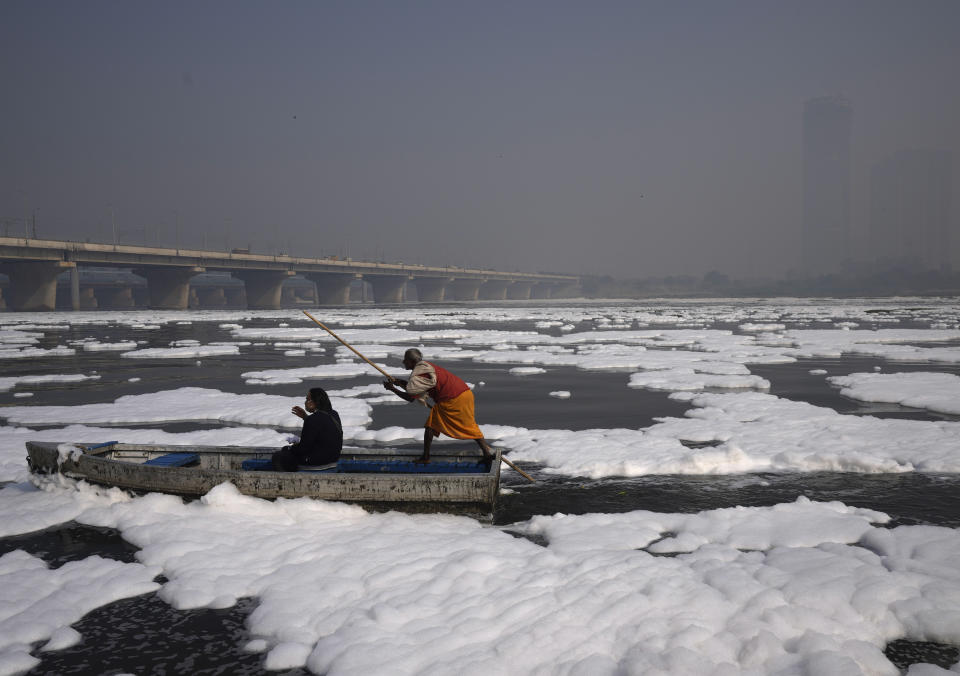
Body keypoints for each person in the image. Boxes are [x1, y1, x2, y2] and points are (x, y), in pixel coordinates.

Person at [383, 348, 495, 464]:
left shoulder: (419, 374)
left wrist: (393, 389)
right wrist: (400, 382)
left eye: (405, 360)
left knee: (433, 426)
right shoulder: (425, 367)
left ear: (411, 361)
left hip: (453, 398)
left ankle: (426, 458)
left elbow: (410, 397)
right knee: (465, 424)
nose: (403, 362)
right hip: (464, 393)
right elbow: (415, 388)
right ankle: (487, 453)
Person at [271, 387, 343, 471]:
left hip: (318, 463)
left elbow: (303, 449)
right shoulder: (334, 414)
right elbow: (323, 427)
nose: (305, 402)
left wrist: (290, 448)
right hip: (333, 460)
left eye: (307, 399)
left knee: (278, 456)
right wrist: (306, 417)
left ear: (313, 402)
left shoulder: (313, 419)